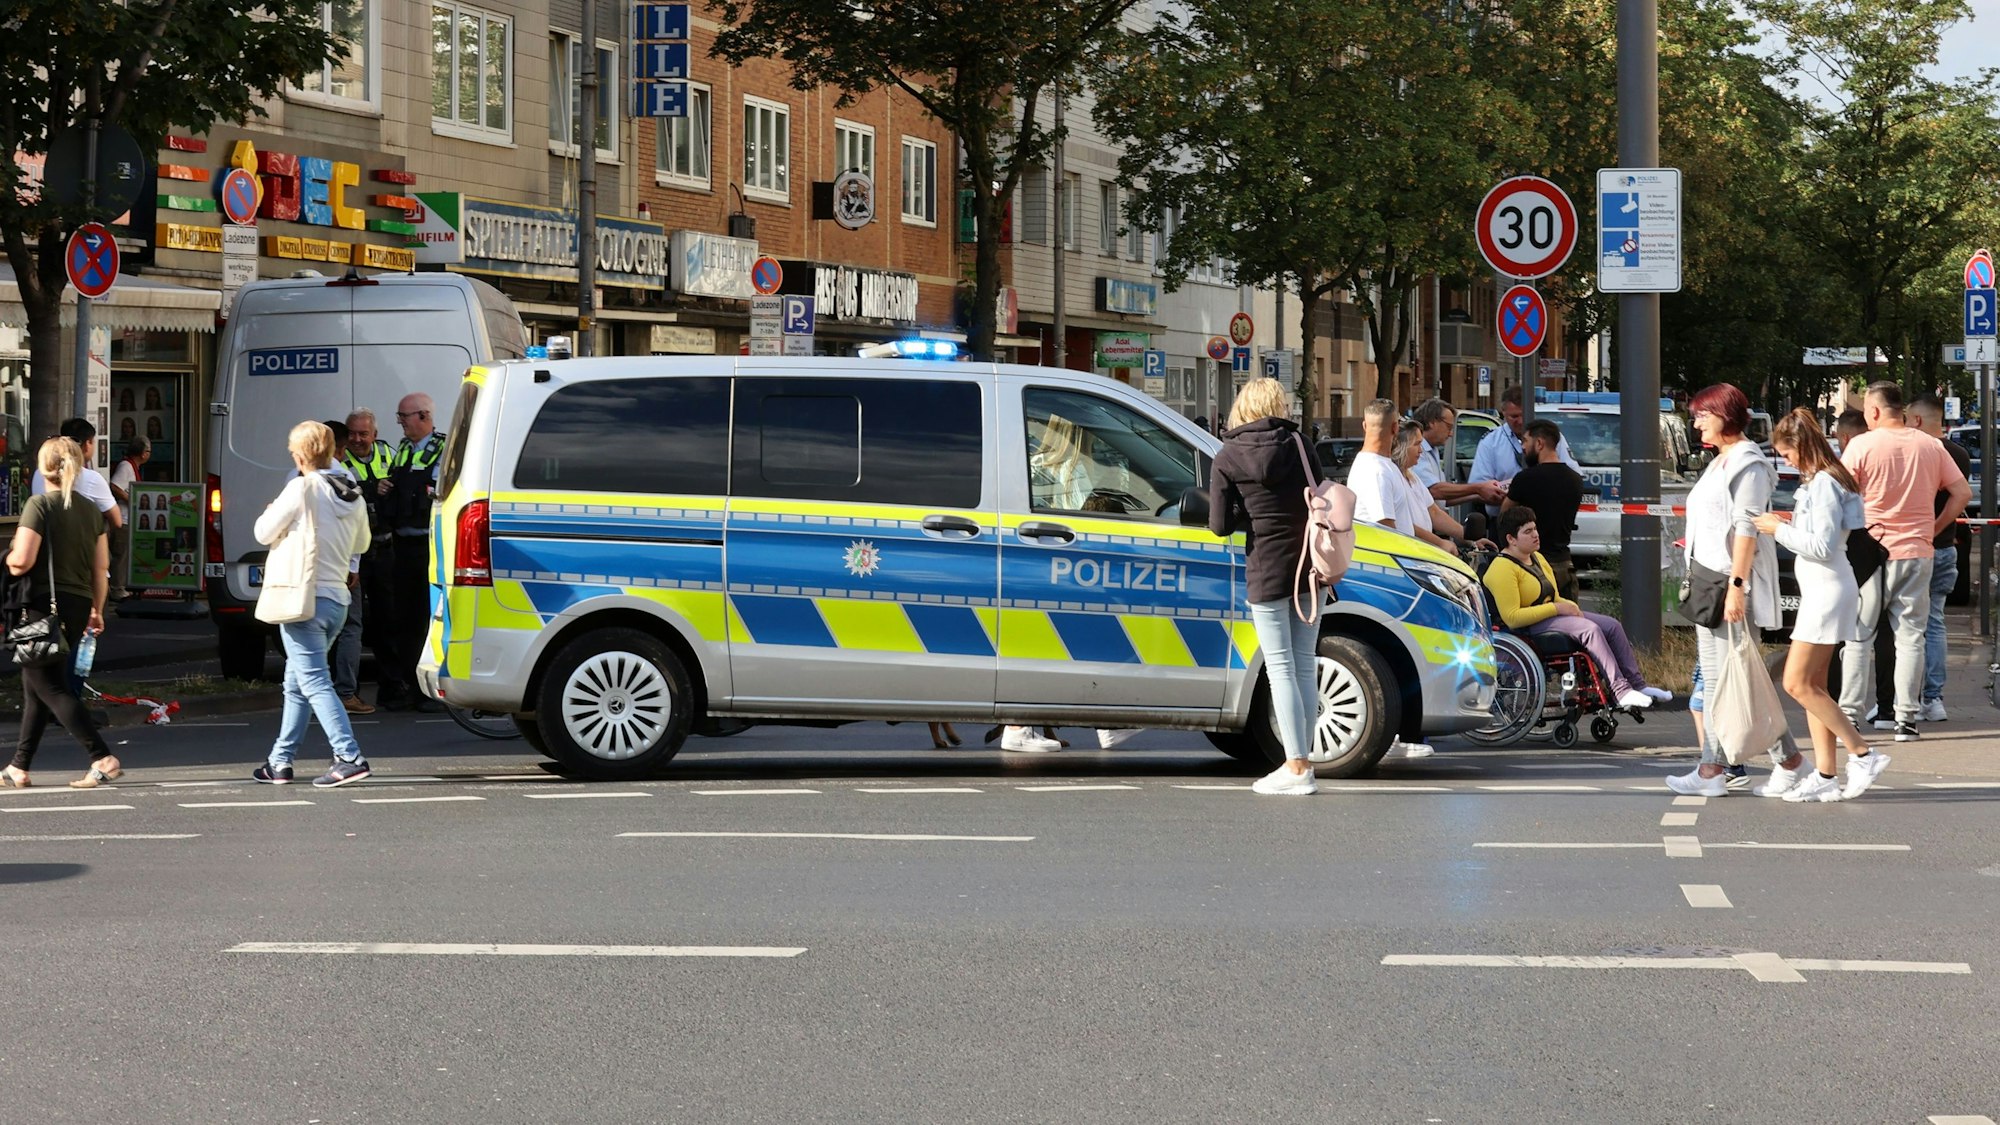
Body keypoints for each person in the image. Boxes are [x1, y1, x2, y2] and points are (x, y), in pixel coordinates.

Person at [1667, 383, 1812, 797]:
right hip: (1710, 579)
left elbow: (1747, 528)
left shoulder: (1747, 463)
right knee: (1728, 680)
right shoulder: (1722, 461)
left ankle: (1721, 770)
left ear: (1724, 415)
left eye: (1701, 415)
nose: (1695, 422)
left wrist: (1737, 586)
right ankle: (1773, 762)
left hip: (1726, 582)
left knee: (1733, 679)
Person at [1751, 409, 1881, 802]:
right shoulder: (1826, 479)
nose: (1786, 461)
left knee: (1797, 682)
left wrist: (1780, 530)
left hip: (1826, 590)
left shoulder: (1824, 483)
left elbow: (1823, 546)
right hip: (1827, 589)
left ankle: (1862, 752)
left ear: (1802, 446)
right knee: (1815, 685)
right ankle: (1826, 773)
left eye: (1786, 453)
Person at [1209, 377, 1323, 796]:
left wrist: (1248, 512)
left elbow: (1220, 525)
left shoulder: (1227, 455)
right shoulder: (1300, 446)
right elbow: (1317, 497)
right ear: (1278, 406)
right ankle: (1303, 760)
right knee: (1305, 663)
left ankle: (1296, 768)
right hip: (1310, 568)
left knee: (1280, 669)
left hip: (1266, 569)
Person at [1838, 382, 1969, 743]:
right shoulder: (1930, 445)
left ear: (1876, 412)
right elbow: (1962, 493)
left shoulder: (1862, 445)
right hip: (1918, 552)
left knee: (1859, 637)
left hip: (1873, 554)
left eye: (1866, 411)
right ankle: (1906, 720)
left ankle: (1849, 714)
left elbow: (1840, 494)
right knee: (1911, 637)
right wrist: (1934, 528)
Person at [252, 421, 375, 788]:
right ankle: (280, 761)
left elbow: (262, 532)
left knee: (316, 681)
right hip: (337, 597)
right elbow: (363, 543)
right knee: (296, 682)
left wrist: (273, 509)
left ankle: (349, 756)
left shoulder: (300, 488)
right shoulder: (352, 490)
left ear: (300, 454)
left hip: (303, 597)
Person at [3, 439, 117, 790]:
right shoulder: (90, 511)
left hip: (42, 604)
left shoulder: (39, 505)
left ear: (43, 468)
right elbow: (102, 568)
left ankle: (101, 756)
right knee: (35, 684)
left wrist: (7, 557)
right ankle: (19, 766)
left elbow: (22, 560)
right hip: (78, 602)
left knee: (50, 685)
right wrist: (96, 609)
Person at [1482, 505, 1666, 711]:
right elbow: (1512, 617)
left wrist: (1568, 606)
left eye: (1535, 528)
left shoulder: (1537, 557)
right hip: (1526, 628)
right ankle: (1620, 690)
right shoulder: (1502, 568)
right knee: (1590, 630)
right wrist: (1557, 608)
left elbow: (1554, 595)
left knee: (1612, 626)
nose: (1536, 535)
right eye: (1528, 531)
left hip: (1549, 616)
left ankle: (1639, 686)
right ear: (1511, 539)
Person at [381, 393, 447, 713]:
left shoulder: (444, 448)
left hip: (430, 547)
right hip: (402, 545)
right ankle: (410, 684)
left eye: (404, 417)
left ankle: (430, 691)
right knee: (404, 620)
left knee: (426, 620)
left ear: (423, 416)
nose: (401, 423)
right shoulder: (404, 449)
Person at [1906, 394, 1969, 722]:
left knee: (1908, 626)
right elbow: (1961, 497)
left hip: (1917, 548)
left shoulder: (1915, 452)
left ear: (1916, 420)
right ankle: (1935, 697)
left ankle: (1908, 700)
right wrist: (1941, 528)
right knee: (1935, 623)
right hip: (1946, 549)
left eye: (1906, 418)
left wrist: (1929, 529)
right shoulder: (1958, 453)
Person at [334, 409, 395, 715]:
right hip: (354, 555)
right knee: (349, 624)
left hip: (383, 549)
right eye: (352, 434)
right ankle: (348, 691)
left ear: (375, 433)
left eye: (363, 434)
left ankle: (391, 689)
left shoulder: (387, 452)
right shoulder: (341, 461)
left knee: (387, 621)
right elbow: (350, 496)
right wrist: (374, 489)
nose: (357, 440)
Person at [31, 418, 126, 597]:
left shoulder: (39, 475)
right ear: (86, 444)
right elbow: (117, 520)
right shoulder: (91, 479)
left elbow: (21, 559)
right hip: (84, 570)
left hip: (48, 568)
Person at [1467, 384, 1579, 521]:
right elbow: (1478, 487)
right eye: (1514, 416)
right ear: (1503, 412)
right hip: (1504, 519)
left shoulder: (1551, 437)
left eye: (1523, 415)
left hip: (1545, 519)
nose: (1520, 421)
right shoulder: (1490, 443)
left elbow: (1572, 475)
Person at [1502, 420, 1586, 599]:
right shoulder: (1575, 480)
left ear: (1539, 443)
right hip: (1564, 564)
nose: (1523, 447)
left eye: (1525, 441)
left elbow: (1504, 516)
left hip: (1532, 566)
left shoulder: (1525, 479)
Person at [1393, 419, 1485, 553]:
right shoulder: (1393, 476)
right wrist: (1440, 543)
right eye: (1417, 444)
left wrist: (1469, 538)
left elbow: (1434, 512)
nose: (1420, 451)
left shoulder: (1413, 477)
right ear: (1401, 446)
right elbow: (1403, 524)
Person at [1410, 398, 1504, 510]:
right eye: (1449, 427)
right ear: (1432, 422)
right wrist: (1478, 488)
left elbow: (1443, 499)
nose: (1451, 433)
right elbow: (1435, 491)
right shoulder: (1417, 450)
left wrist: (1479, 494)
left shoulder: (1432, 450)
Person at [1346, 398, 1416, 533]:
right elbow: (1385, 526)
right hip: (1390, 553)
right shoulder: (1377, 471)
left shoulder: (1378, 465)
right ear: (1395, 428)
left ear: (1365, 426)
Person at [105, 436, 151, 601]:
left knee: (122, 554)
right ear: (142, 453)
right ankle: (117, 588)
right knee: (120, 554)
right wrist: (131, 499)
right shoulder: (126, 466)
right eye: (148, 450)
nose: (149, 454)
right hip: (122, 518)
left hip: (127, 518)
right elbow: (115, 486)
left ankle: (117, 586)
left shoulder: (133, 467)